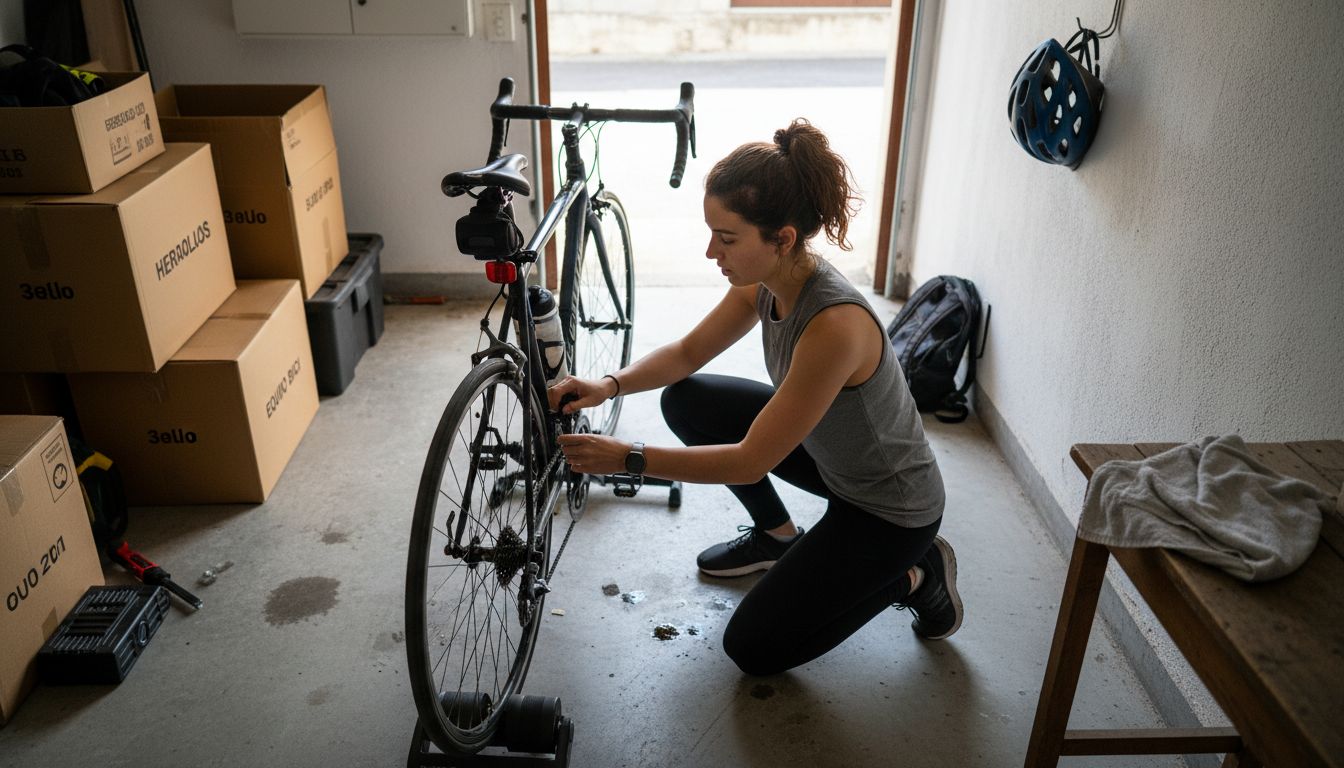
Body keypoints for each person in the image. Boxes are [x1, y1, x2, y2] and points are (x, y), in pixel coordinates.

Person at [547, 118, 962, 675]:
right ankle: (775, 537)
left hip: (889, 510)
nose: (710, 251)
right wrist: (608, 384)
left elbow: (749, 462)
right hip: (832, 462)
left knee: (754, 648)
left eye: (726, 238)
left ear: (782, 239)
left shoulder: (835, 326)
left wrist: (629, 458)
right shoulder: (765, 282)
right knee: (687, 400)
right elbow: (688, 352)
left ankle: (916, 575)